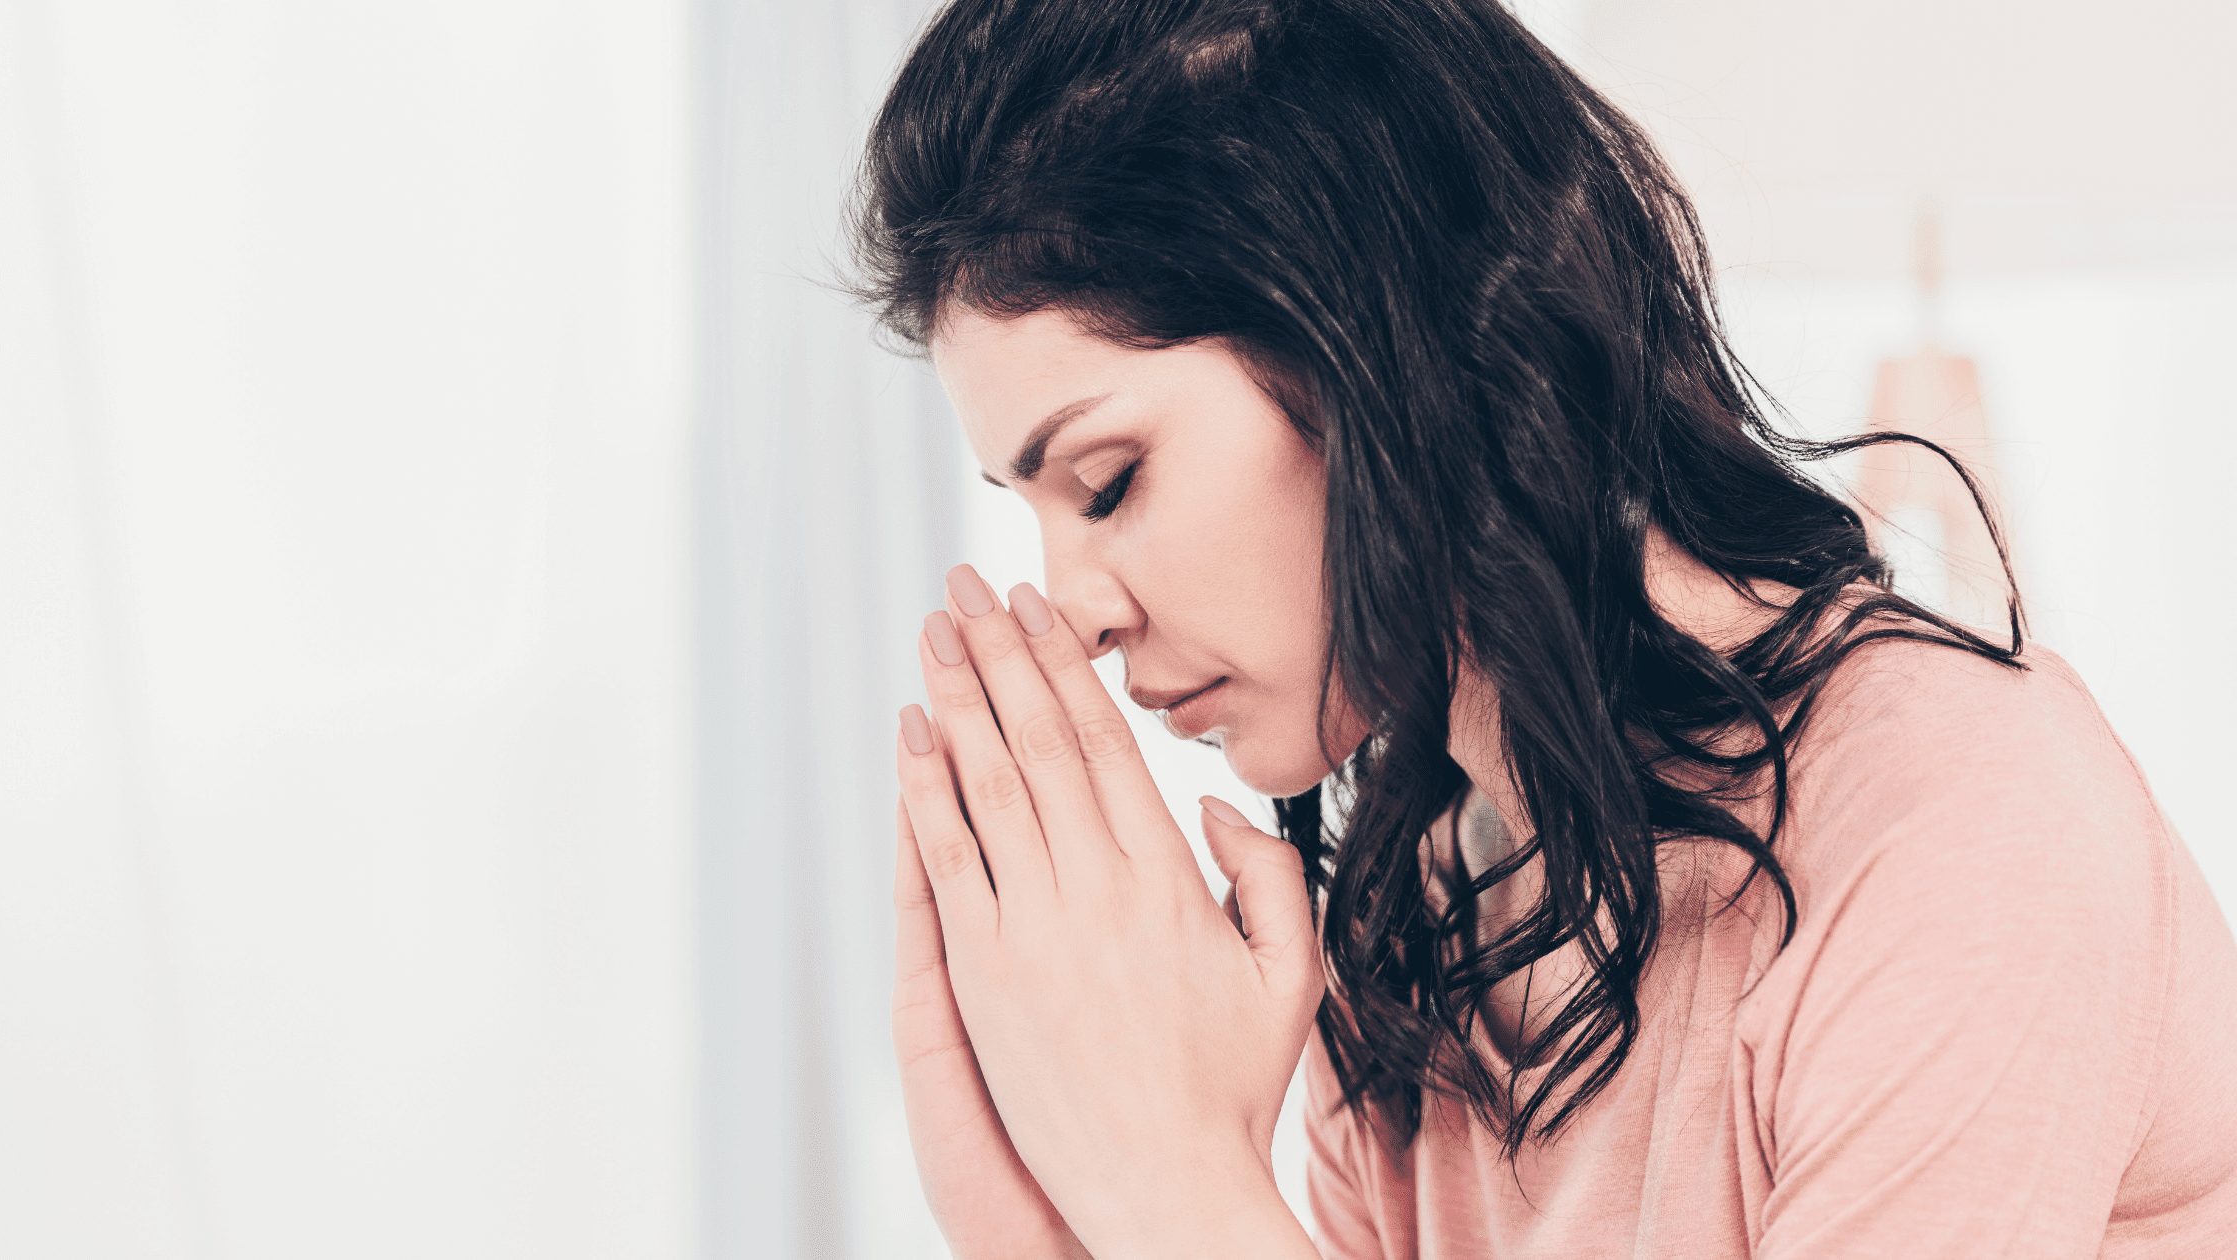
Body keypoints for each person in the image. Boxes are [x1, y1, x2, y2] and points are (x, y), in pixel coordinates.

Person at [854, 1, 2237, 1257]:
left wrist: (1178, 1198)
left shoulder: (1964, 826)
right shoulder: (1418, 924)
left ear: (1367, 338)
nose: (1075, 606)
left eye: (1107, 481)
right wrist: (1057, 1235)